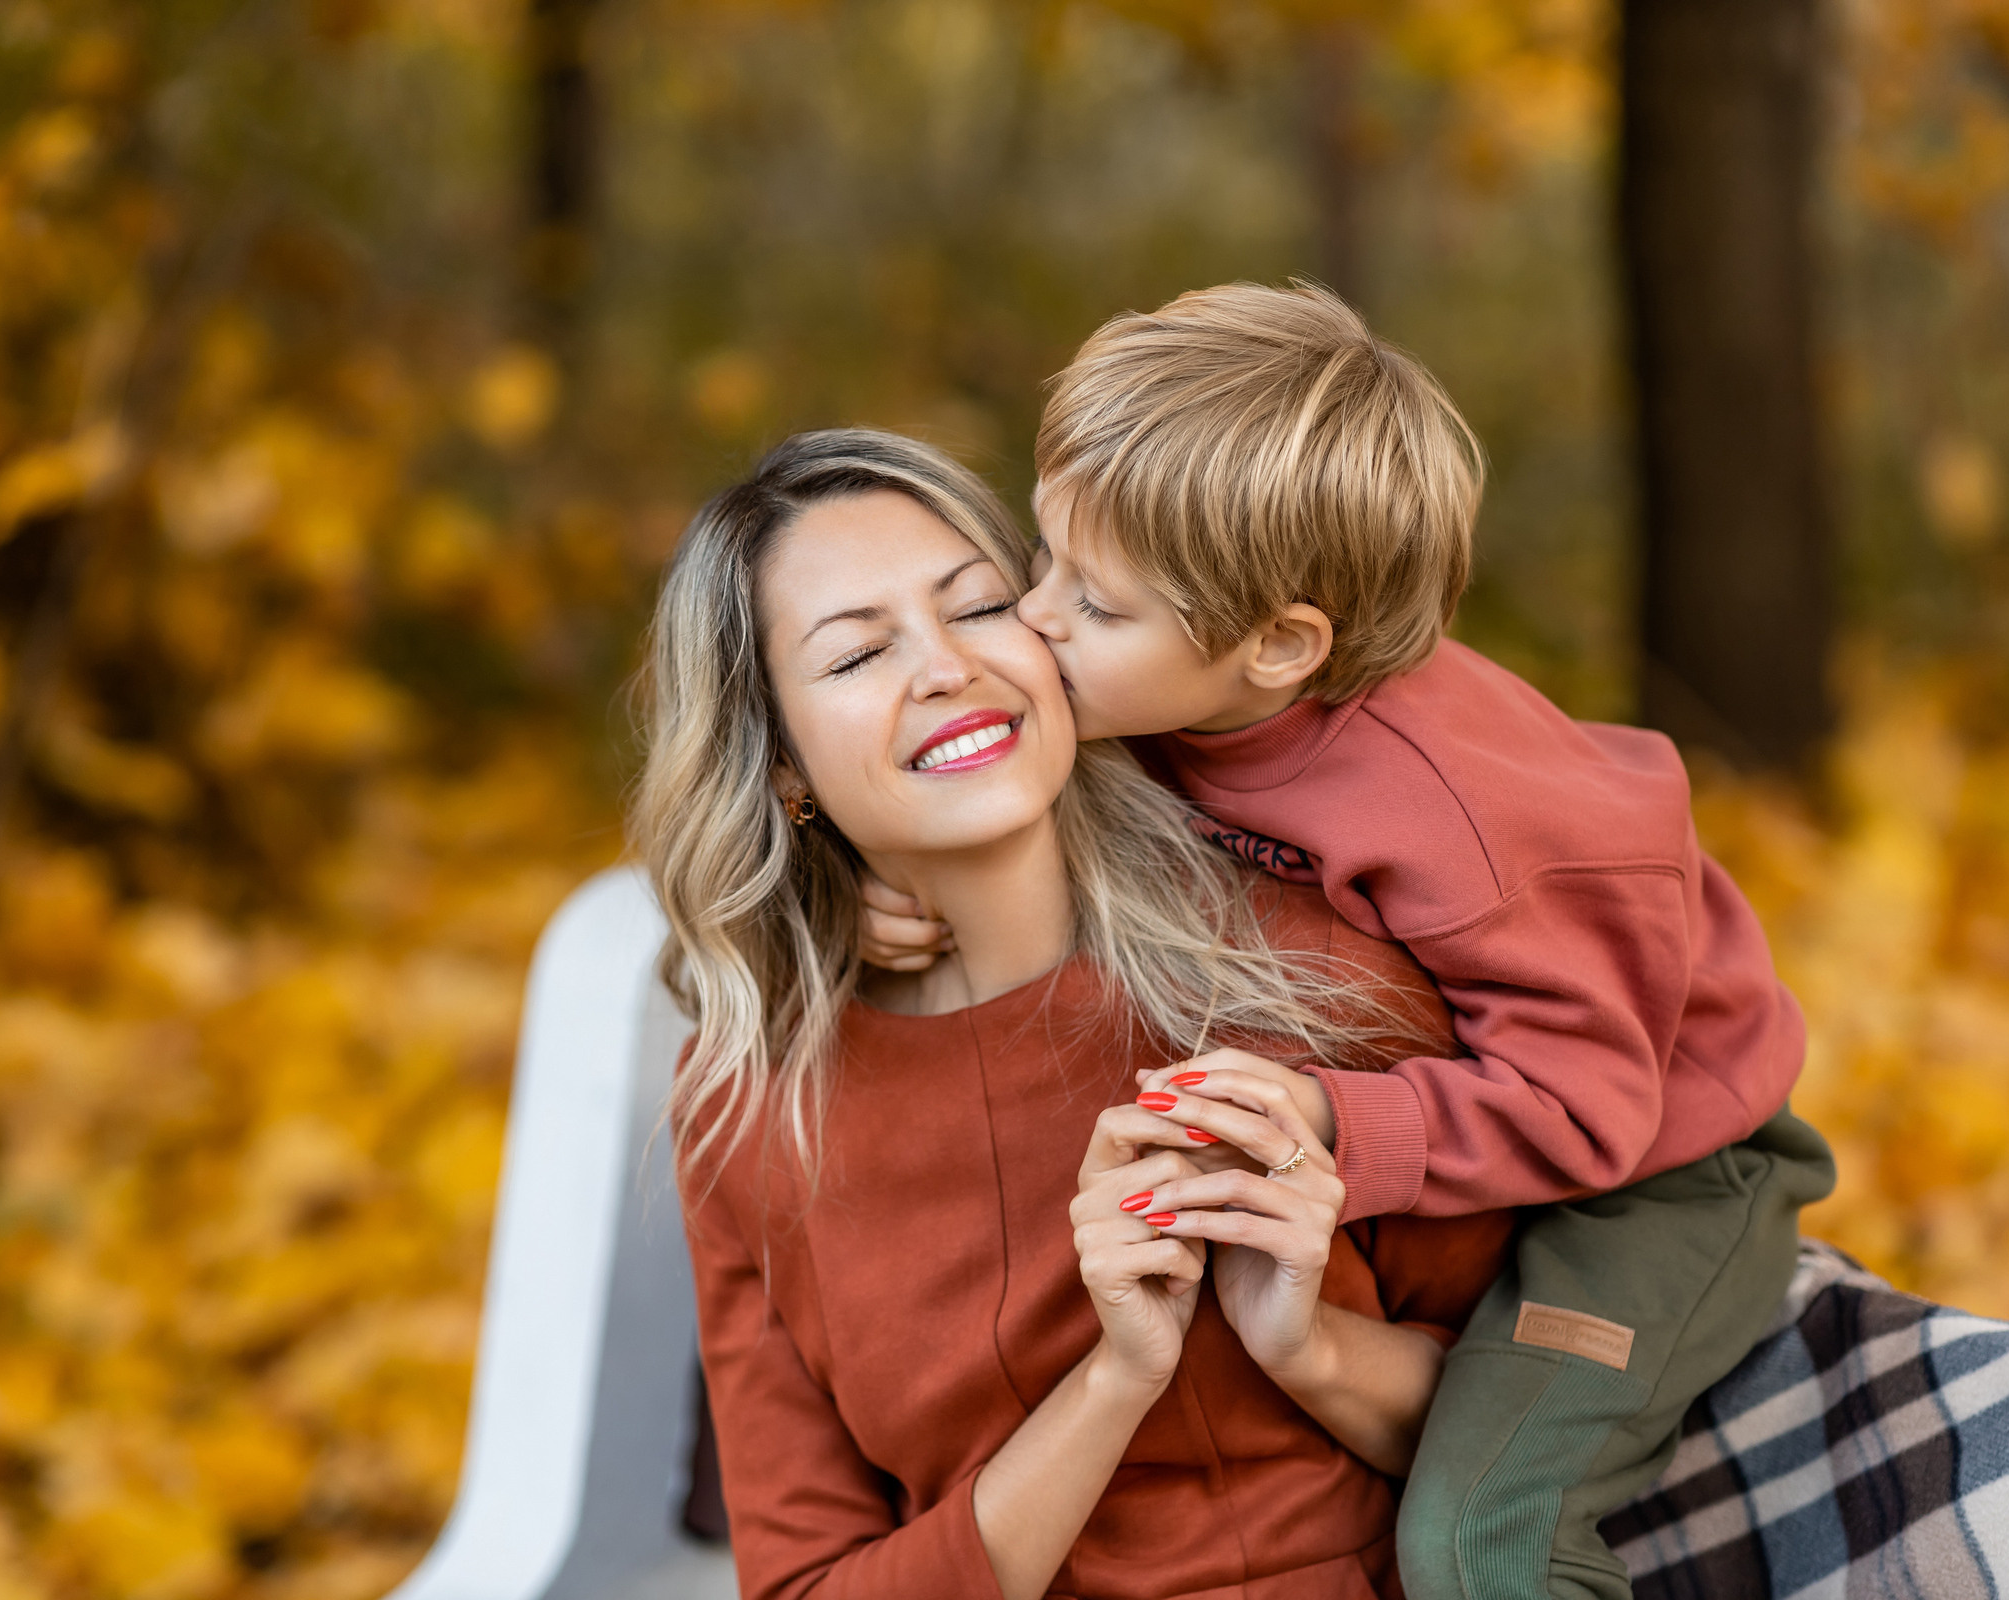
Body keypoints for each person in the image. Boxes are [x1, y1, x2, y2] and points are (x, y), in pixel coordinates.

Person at [858, 283, 1838, 1600]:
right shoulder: (1170, 687)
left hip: (1660, 1175)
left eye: (1094, 604)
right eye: (1044, 562)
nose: (1035, 621)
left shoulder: (1464, 822)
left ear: (1279, 646)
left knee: (1478, 1538)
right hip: (1468, 1158)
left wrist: (1326, 1124)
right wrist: (881, 878)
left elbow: (1593, 1105)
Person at [633, 428, 1517, 1600]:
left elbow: (1555, 1431)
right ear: (783, 767)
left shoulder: (1307, 976)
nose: (946, 667)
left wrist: (1307, 1345)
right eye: (855, 657)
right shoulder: (754, 1111)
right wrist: (1116, 1379)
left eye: (981, 606)